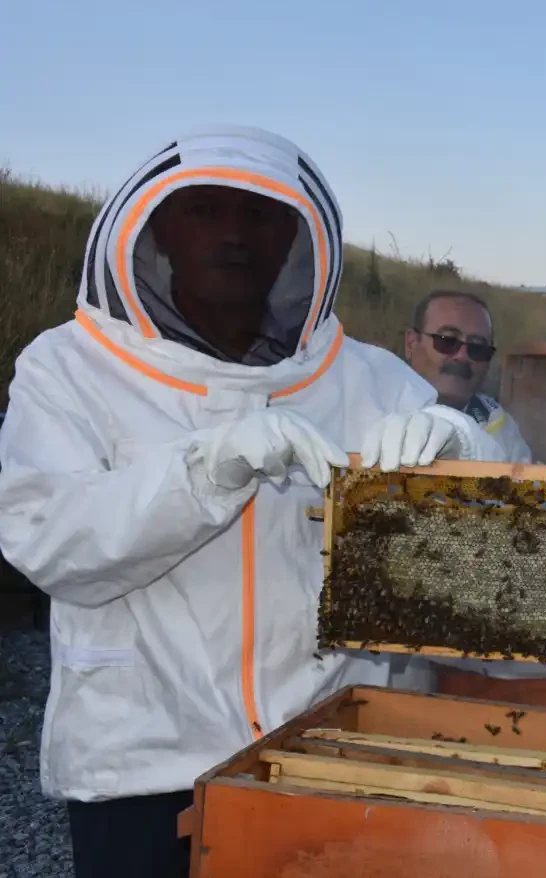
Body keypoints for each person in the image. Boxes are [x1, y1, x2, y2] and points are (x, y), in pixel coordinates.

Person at [0, 125, 507, 878]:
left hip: (329, 747)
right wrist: (208, 470)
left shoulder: (367, 379)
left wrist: (467, 451)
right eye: (205, 210)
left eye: (263, 217)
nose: (235, 235)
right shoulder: (68, 368)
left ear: (300, 241)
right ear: (157, 229)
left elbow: (491, 554)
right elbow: (48, 541)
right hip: (140, 764)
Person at [404, 288, 534, 463]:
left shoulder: (500, 426)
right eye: (447, 340)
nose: (462, 356)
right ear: (411, 343)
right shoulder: (370, 401)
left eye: (477, 348)